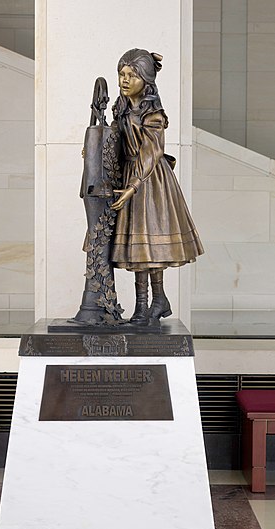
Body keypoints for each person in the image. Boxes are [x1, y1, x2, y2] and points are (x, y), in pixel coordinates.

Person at [111, 48, 204, 324]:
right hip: (130, 175)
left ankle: (158, 298)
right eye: (122, 74)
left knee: (150, 241)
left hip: (150, 180)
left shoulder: (153, 113)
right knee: (139, 247)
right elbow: (116, 138)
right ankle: (142, 306)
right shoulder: (123, 106)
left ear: (146, 80)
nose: (125, 80)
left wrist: (133, 185)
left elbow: (151, 151)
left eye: (132, 75)